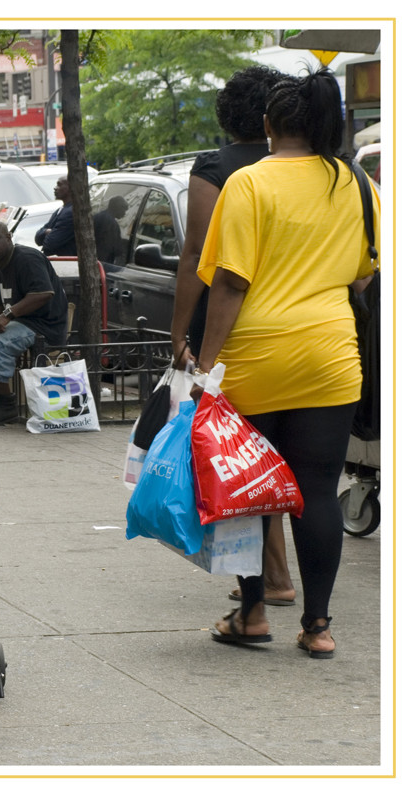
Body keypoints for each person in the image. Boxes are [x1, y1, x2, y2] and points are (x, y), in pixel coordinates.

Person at [194, 70, 379, 659]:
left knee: (251, 492)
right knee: (319, 493)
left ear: (269, 126)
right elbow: (364, 272)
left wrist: (204, 367)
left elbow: (229, 282)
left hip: (256, 358)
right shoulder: (354, 182)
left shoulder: (248, 184)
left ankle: (250, 614)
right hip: (330, 358)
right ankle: (318, 626)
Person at [169, 65, 297, 608]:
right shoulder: (315, 167)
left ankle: (271, 581)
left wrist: (179, 334)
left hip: (231, 326)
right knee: (284, 452)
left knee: (239, 453)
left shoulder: (218, 167)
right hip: (301, 326)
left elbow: (198, 256)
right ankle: (282, 577)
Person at [0, 221, 68, 425]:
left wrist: (8, 314)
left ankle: (7, 406)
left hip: (43, 326)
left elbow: (43, 294)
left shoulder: (27, 258)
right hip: (20, 323)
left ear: (9, 237)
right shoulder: (0, 268)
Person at [33, 175, 77, 257]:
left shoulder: (70, 212)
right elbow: (37, 239)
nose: (55, 188)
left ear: (71, 188)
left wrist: (48, 232)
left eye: (59, 185)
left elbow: (49, 244)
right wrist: (46, 231)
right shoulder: (60, 210)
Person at [92, 196, 128, 265]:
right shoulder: (111, 224)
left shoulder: (98, 216)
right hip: (101, 265)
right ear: (118, 208)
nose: (124, 214)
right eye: (124, 210)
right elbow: (108, 249)